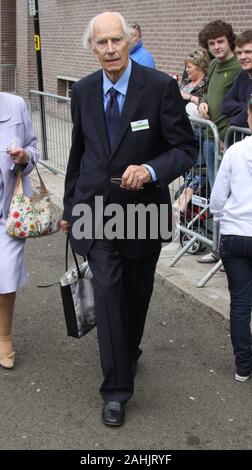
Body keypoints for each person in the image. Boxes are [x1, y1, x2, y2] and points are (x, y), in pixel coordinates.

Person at [61, 11, 197, 427]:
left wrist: (153, 170)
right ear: (93, 47)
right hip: (95, 212)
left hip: (143, 217)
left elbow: (185, 148)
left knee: (134, 300)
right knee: (107, 298)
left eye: (116, 41)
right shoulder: (82, 90)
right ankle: (116, 389)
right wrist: (70, 205)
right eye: (101, 43)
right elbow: (79, 152)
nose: (109, 49)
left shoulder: (158, 88)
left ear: (129, 41)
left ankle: (128, 351)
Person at [210, 96, 252, 382]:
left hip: (236, 234)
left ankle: (243, 366)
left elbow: (216, 199)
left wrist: (221, 215)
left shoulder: (236, 151)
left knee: (240, 303)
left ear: (249, 116)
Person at [0, 92, 39, 369]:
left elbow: (33, 148)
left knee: (7, 271)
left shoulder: (15, 105)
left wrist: (25, 156)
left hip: (10, 211)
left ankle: (4, 336)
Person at [197, 20, 240, 264]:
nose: (216, 47)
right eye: (212, 43)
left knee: (229, 198)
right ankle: (218, 249)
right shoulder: (213, 65)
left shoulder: (237, 66)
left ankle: (228, 252)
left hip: (229, 141)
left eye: (220, 41)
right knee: (217, 196)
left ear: (229, 40)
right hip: (211, 138)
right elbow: (206, 92)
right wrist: (202, 102)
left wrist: (228, 136)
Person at [175, 49, 209, 212]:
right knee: (186, 165)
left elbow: (205, 103)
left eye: (189, 67)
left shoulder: (206, 84)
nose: (186, 70)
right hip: (183, 132)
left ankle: (186, 196)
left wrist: (187, 97)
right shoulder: (186, 83)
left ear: (200, 66)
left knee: (198, 166)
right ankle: (185, 197)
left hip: (198, 132)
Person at [222, 30, 252, 128]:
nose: (242, 57)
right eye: (239, 53)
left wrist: (233, 120)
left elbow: (240, 121)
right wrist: (246, 108)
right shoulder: (243, 75)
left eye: (248, 52)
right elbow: (225, 105)